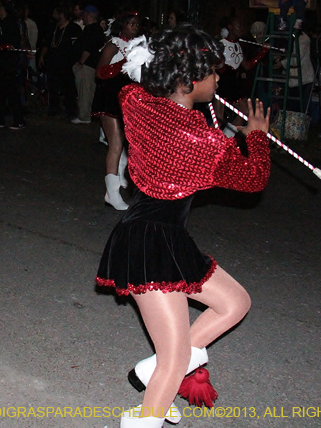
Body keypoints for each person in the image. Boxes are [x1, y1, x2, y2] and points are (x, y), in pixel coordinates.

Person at [96, 25, 271, 427]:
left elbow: (123, 85)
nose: (219, 78)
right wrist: (257, 138)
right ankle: (146, 416)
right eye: (212, 72)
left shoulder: (138, 103)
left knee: (235, 303)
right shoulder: (200, 140)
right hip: (149, 243)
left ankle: (152, 370)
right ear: (189, 80)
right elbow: (253, 179)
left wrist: (143, 58)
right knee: (174, 358)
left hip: (163, 237)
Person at [91, 13, 140, 210]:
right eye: (131, 23)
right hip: (110, 97)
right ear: (122, 25)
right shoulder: (114, 44)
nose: (135, 26)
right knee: (116, 143)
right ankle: (112, 193)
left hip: (127, 99)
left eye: (136, 24)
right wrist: (124, 63)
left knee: (127, 141)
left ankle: (118, 178)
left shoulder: (138, 46)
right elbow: (100, 71)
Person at [0, 0, 26, 129]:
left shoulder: (11, 23)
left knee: (11, 91)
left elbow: (13, 44)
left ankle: (19, 120)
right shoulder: (0, 24)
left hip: (7, 63)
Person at [39, 5, 81, 117]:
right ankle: (53, 108)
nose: (53, 15)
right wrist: (42, 56)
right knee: (52, 86)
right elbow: (47, 43)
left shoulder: (74, 28)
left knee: (69, 87)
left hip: (67, 63)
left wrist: (77, 60)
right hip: (53, 62)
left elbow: (77, 47)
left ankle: (70, 110)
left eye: (55, 13)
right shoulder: (53, 27)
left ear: (61, 15)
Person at [72, 5, 104, 124]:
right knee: (88, 91)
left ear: (88, 15)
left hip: (87, 65)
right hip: (91, 65)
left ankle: (84, 116)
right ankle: (88, 114)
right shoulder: (95, 29)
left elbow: (89, 47)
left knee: (84, 91)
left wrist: (81, 62)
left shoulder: (92, 29)